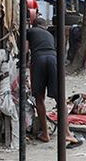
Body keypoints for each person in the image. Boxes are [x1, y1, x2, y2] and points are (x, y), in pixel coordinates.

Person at [26, 16, 78, 146]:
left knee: (39, 98)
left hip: (38, 59)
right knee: (60, 99)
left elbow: (25, 50)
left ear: (33, 25)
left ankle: (45, 133)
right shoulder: (49, 34)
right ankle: (67, 133)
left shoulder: (30, 32)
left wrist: (24, 63)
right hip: (53, 59)